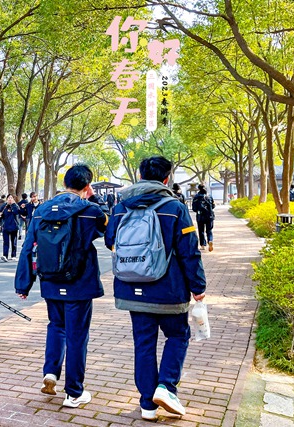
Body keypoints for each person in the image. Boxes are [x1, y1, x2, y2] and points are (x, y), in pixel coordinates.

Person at [105, 156, 206, 421]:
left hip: (131, 288)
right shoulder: (175, 207)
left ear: (140, 176)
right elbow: (189, 251)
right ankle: (166, 387)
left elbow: (109, 240)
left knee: (144, 343)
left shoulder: (121, 207)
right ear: (166, 178)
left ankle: (147, 405)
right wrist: (198, 286)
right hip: (169, 290)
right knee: (178, 335)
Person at [14, 164, 107, 408]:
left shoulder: (41, 210)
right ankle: (74, 392)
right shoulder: (90, 210)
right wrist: (93, 198)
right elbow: (109, 228)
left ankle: (51, 372)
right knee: (77, 335)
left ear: (64, 183)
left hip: (50, 280)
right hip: (79, 282)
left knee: (56, 326)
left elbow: (28, 247)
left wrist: (23, 284)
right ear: (87, 186)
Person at [192, 184, 215, 252]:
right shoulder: (209, 196)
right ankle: (210, 240)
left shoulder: (196, 197)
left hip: (200, 216)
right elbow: (213, 206)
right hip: (209, 216)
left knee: (201, 231)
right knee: (209, 230)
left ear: (198, 189)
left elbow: (194, 208)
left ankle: (202, 245)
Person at [0, 195, 20, 261]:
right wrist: (0, 215)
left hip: (14, 226)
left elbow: (16, 212)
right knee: (6, 242)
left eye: (11, 198)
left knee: (14, 242)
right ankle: (5, 255)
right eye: (9, 198)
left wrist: (13, 204)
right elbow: (0, 215)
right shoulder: (4, 206)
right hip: (5, 226)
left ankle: (13, 255)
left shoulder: (15, 206)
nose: (10, 199)